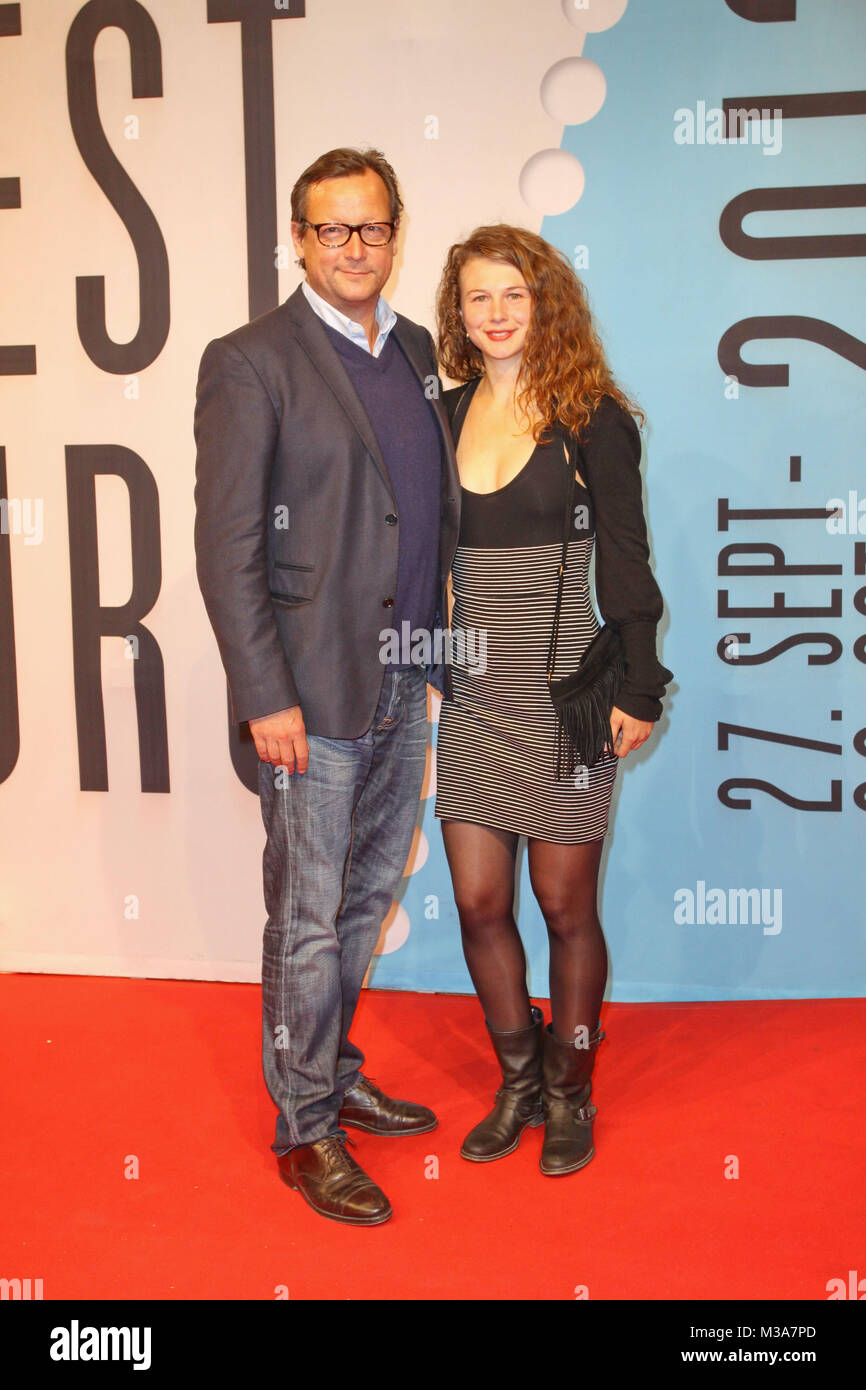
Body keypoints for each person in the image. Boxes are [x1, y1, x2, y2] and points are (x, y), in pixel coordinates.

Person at [193, 148, 460, 1226]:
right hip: (306, 693)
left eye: (373, 228)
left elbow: (423, 513)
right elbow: (226, 546)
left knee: (360, 900)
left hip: (402, 682)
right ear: (298, 239)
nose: (355, 248)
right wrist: (266, 693)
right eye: (331, 229)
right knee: (304, 916)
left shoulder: (419, 351)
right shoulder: (249, 358)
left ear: (397, 234)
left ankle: (331, 1068)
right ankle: (302, 1127)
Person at [433, 225, 673, 1176]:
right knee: (478, 899)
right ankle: (519, 1078)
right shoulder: (441, 416)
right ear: (458, 313)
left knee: (564, 905)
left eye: (513, 296)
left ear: (546, 305)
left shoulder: (592, 415)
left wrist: (642, 683)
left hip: (571, 697)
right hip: (476, 698)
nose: (494, 314)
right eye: (478, 298)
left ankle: (571, 1093)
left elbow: (628, 556)